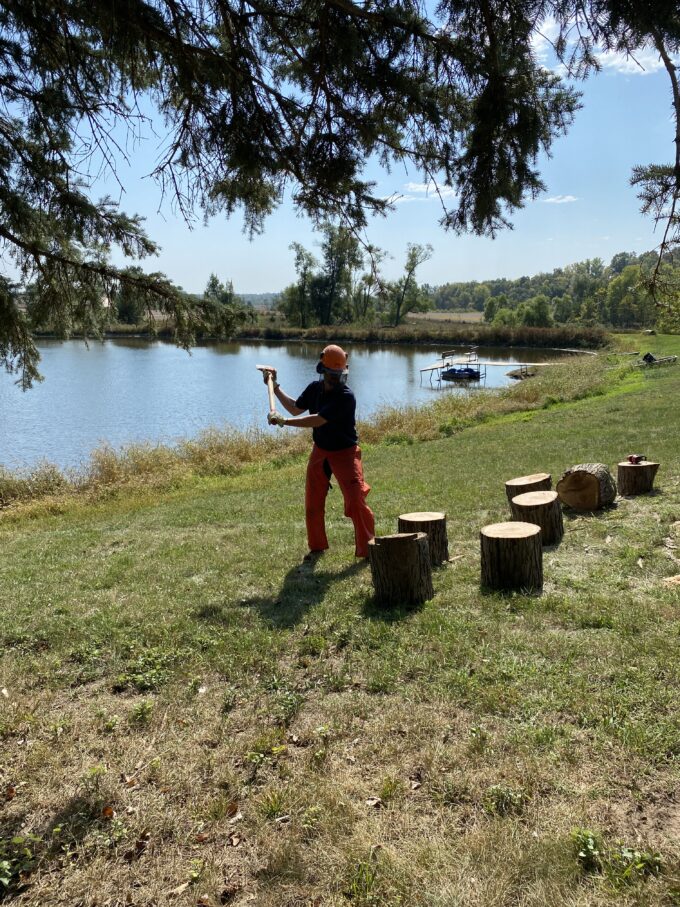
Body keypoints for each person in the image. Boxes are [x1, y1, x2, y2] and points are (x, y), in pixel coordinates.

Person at [263, 345, 375, 559]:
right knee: (313, 500)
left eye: (340, 374)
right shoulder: (314, 389)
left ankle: (369, 548)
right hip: (321, 450)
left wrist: (284, 422)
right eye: (332, 374)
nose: (337, 378)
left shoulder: (346, 396)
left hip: (345, 453)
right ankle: (316, 547)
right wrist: (275, 386)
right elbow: (296, 408)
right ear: (322, 370)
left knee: (356, 500)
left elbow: (317, 420)